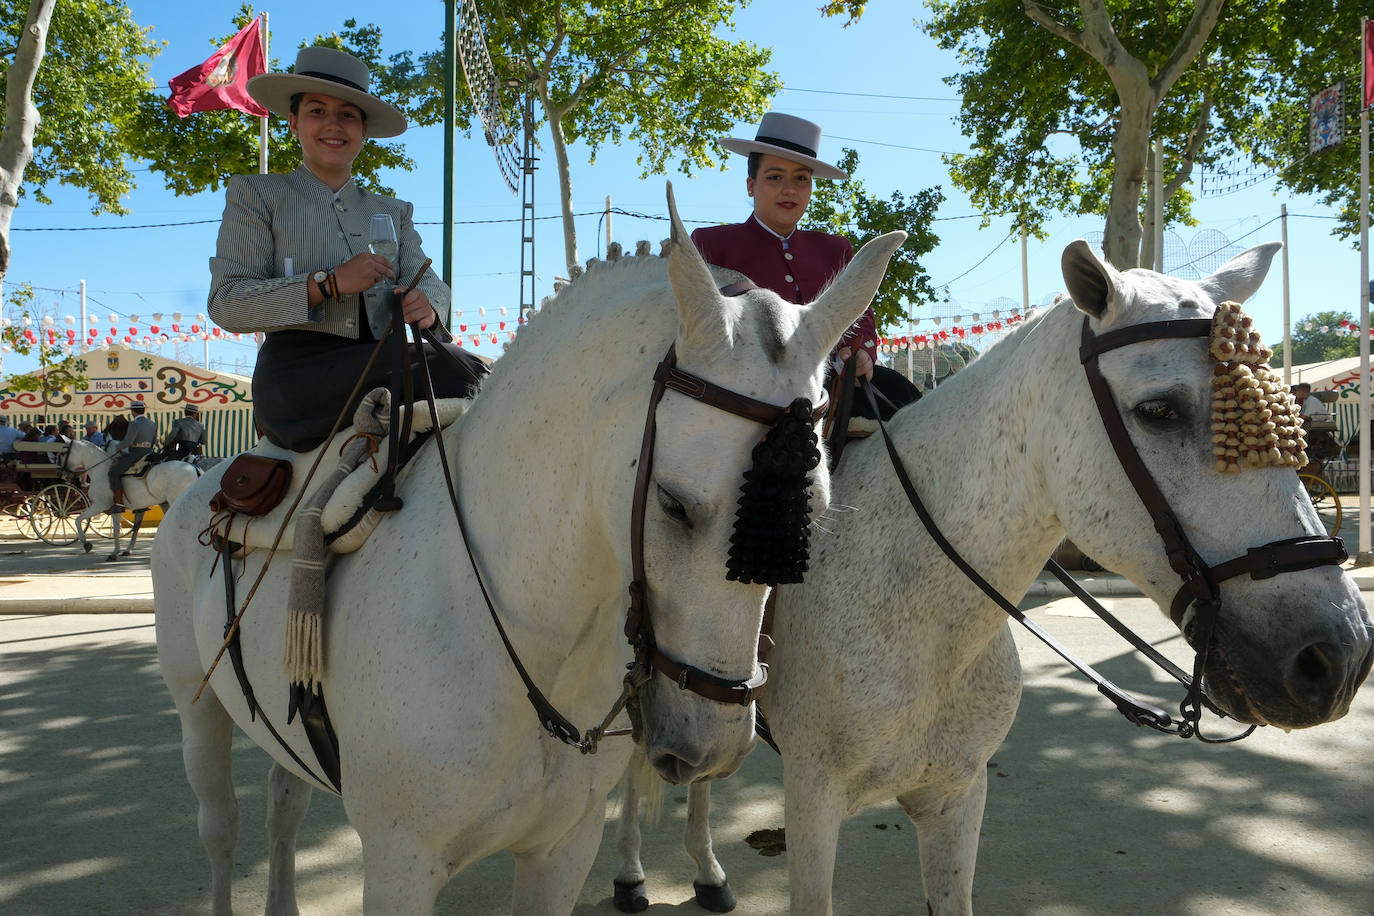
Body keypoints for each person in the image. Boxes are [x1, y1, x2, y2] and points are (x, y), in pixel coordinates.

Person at [208, 46, 486, 452]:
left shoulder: (394, 211)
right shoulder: (257, 195)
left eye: (347, 114)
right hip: (297, 377)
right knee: (460, 371)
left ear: (363, 129)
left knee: (478, 371)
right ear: (293, 122)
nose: (333, 125)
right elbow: (227, 304)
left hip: (390, 363)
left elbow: (435, 288)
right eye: (317, 111)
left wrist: (428, 306)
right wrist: (328, 282)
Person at [690, 112, 920, 420]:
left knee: (902, 396)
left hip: (831, 382)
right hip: (745, 392)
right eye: (774, 177)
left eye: (801, 178)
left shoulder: (835, 248)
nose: (790, 189)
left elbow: (859, 313)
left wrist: (860, 352)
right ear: (750, 185)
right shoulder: (711, 243)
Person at [108, 400, 156, 507]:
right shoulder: (152, 424)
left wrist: (117, 447)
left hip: (136, 454)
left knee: (113, 472)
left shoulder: (134, 424)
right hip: (149, 453)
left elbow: (128, 442)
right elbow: (154, 442)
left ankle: (119, 502)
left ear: (133, 412)